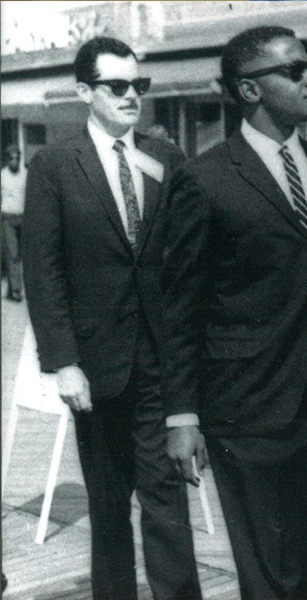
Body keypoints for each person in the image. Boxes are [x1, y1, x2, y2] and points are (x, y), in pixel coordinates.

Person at [160, 26, 307, 599]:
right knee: (269, 579)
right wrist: (181, 416)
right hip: (251, 408)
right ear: (249, 90)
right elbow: (178, 308)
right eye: (294, 70)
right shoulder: (203, 180)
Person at [21, 37, 201, 600]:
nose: (131, 97)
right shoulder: (53, 166)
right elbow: (43, 273)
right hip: (96, 368)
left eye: (138, 86)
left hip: (160, 361)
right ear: (84, 92)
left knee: (167, 502)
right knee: (107, 508)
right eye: (116, 86)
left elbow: (186, 263)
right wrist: (64, 363)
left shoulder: (166, 160)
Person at [1, 144, 26, 302]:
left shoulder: (25, 174)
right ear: (7, 160)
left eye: (17, 158)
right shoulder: (2, 176)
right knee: (13, 253)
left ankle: (14, 288)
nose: (14, 162)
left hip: (23, 218)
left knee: (23, 255)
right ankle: (16, 290)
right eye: (11, 159)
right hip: (8, 218)